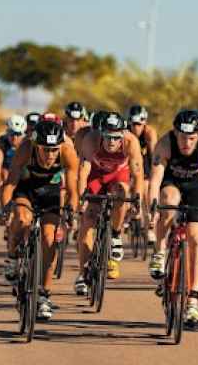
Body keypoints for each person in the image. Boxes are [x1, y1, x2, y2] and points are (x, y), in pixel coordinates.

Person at [148, 109, 198, 327]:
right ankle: (160, 252)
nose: (186, 143)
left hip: (195, 188)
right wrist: (153, 209)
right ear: (175, 132)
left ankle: (192, 301)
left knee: (196, 238)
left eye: (192, 138)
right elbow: (155, 181)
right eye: (183, 137)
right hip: (170, 183)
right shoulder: (164, 144)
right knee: (169, 200)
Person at [0, 120, 79, 320]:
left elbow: (72, 190)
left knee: (49, 239)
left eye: (54, 150)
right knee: (22, 219)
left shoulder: (67, 152)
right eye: (45, 150)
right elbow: (10, 183)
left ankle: (43, 295)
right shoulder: (26, 148)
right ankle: (12, 257)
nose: (50, 155)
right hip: (26, 190)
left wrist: (71, 210)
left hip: (50, 194)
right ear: (36, 145)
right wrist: (5, 208)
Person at [75, 112, 144, 293]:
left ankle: (115, 234)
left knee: (122, 192)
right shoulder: (91, 140)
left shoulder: (131, 142)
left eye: (116, 137)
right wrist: (81, 198)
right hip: (96, 176)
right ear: (101, 133)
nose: (112, 141)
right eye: (107, 136)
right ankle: (82, 273)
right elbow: (83, 171)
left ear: (123, 134)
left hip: (118, 176)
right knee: (88, 221)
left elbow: (137, 173)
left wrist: (137, 200)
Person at [127, 105, 158, 244]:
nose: (135, 128)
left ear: (144, 123)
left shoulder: (149, 133)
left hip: (145, 163)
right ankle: (127, 213)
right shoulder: (125, 132)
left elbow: (154, 157)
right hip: (128, 163)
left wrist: (153, 177)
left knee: (146, 189)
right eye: (133, 124)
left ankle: (149, 227)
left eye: (138, 124)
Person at [0, 115, 26, 199]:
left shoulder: (27, 142)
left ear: (23, 133)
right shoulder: (0, 142)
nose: (14, 137)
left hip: (22, 169)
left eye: (18, 134)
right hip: (7, 170)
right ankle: (5, 205)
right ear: (7, 132)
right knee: (4, 175)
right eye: (11, 133)